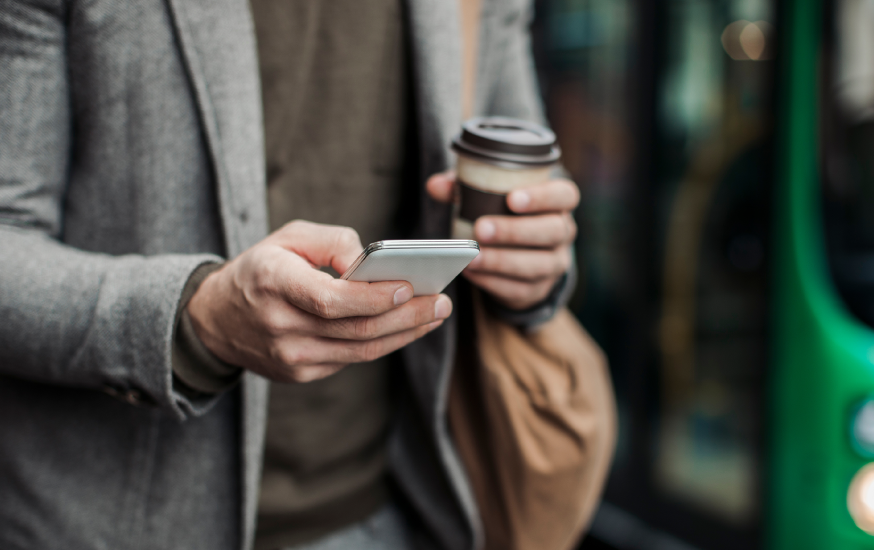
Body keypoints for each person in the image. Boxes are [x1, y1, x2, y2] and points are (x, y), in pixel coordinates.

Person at [0, 1, 579, 549]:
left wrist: (535, 271)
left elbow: (523, 170)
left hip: (391, 512)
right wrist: (194, 319)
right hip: (107, 523)